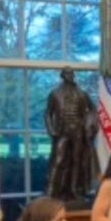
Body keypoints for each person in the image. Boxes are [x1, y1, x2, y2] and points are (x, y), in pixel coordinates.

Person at [45, 68, 100, 204]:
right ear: (63, 76)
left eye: (72, 74)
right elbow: (48, 113)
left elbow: (93, 109)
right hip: (62, 131)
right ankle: (51, 191)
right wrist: (52, 130)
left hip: (78, 131)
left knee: (77, 161)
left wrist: (89, 124)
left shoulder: (81, 94)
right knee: (58, 159)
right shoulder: (55, 94)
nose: (71, 76)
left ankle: (74, 189)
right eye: (68, 74)